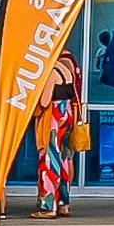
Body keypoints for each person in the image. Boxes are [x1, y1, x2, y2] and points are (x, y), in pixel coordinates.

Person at [36, 58, 83, 217]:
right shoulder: (66, 69)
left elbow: (44, 101)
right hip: (67, 115)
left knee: (50, 161)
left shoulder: (51, 71)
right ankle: (64, 204)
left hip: (54, 119)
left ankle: (49, 206)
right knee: (63, 161)